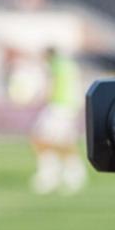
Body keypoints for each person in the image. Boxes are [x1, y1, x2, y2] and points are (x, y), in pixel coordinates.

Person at [30, 48, 86, 195]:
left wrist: (39, 97)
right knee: (54, 140)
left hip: (59, 106)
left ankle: (58, 173)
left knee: (44, 139)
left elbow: (52, 85)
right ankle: (60, 172)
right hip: (67, 106)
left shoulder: (56, 65)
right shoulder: (68, 64)